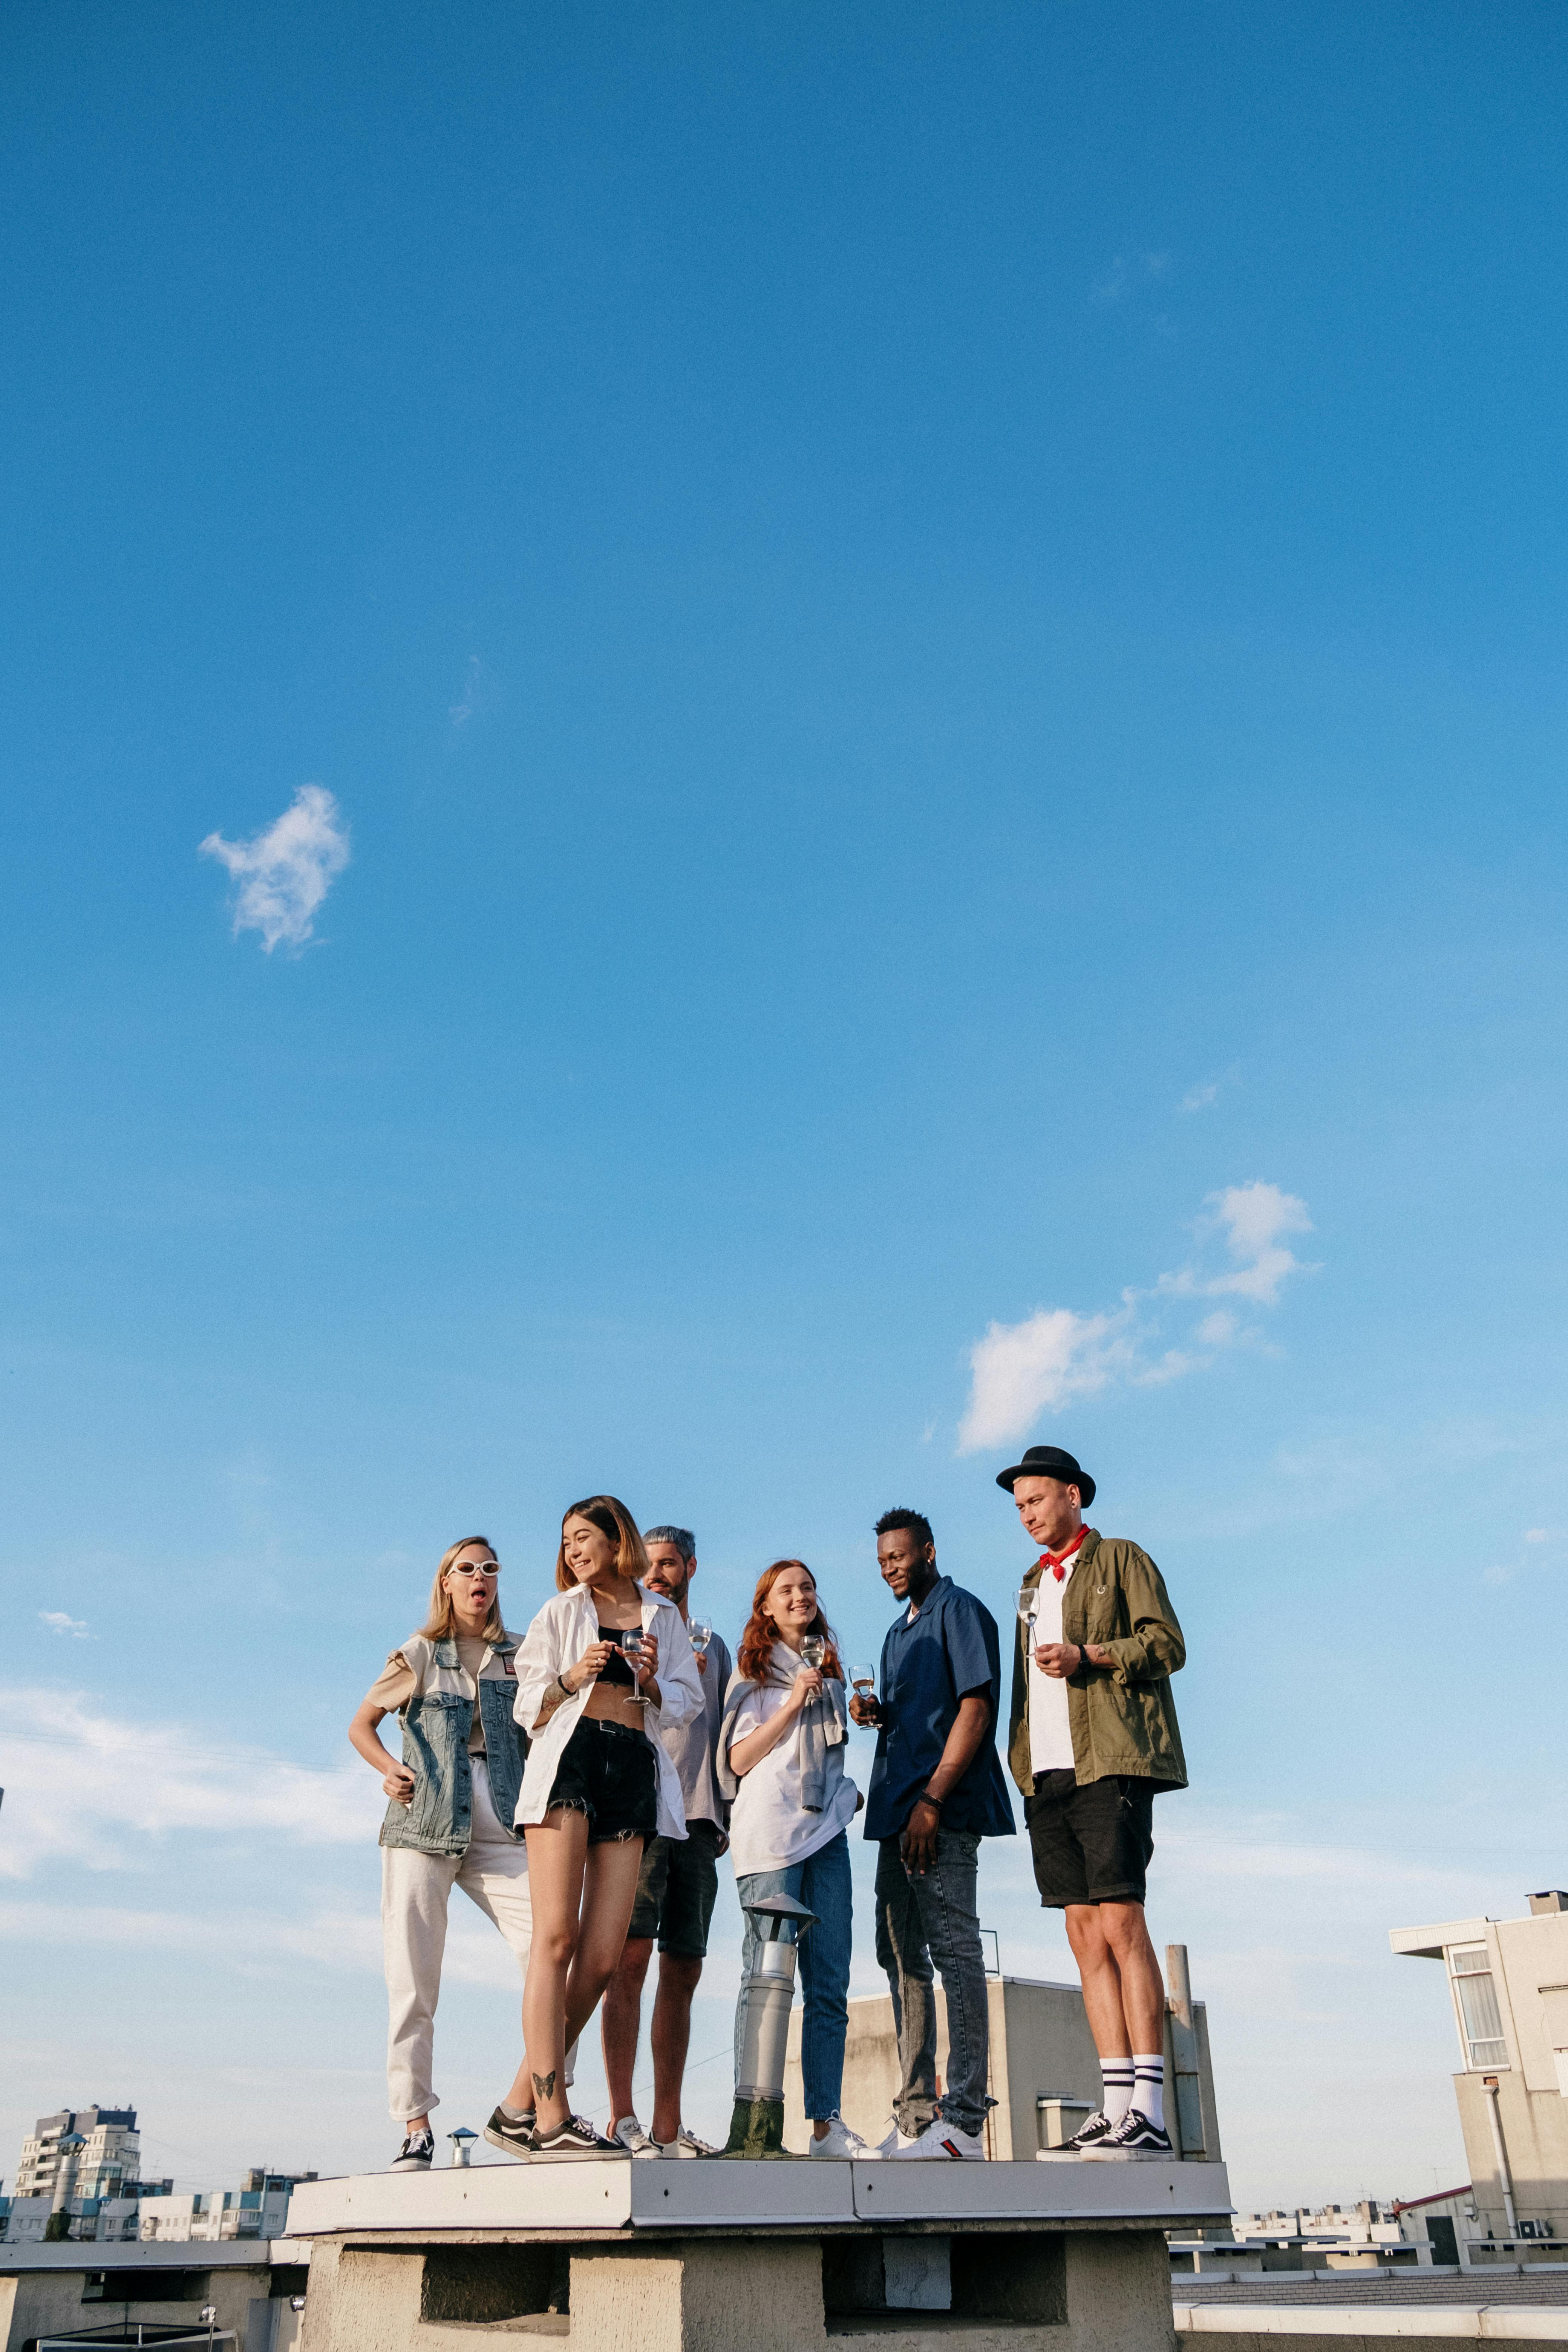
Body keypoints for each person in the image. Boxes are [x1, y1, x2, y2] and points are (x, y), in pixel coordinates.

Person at [493, 1494, 703, 2161]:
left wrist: (651, 1681)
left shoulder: (663, 1616)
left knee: (605, 1957)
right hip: (572, 1759)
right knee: (557, 1939)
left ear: (619, 1540)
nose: (573, 1551)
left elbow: (688, 1705)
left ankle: (515, 2105)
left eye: (585, 1537)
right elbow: (527, 1707)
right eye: (566, 1542)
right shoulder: (558, 1613)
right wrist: (569, 1676)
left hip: (634, 1765)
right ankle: (551, 2115)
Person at [997, 1444, 1187, 2161]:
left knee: (1121, 1922)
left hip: (1108, 1762)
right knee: (1081, 1932)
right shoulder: (1028, 1582)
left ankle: (1152, 2107)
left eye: (1036, 1500)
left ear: (1073, 1496)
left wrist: (1090, 1655)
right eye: (1018, 1507)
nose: (1027, 1515)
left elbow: (1166, 1645)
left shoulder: (1122, 1559)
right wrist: (1021, 1762)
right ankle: (1114, 2106)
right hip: (1047, 1775)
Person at [348, 1536, 533, 2173]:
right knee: (413, 1979)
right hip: (425, 1819)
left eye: (490, 1568)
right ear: (447, 1582)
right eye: (467, 1569)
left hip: (503, 1821)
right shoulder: (422, 1652)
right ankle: (415, 2125)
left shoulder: (520, 1656)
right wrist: (388, 1770)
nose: (480, 1577)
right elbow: (361, 1725)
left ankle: (530, 2104)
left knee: (555, 1954)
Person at [850, 1508, 1015, 2161]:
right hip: (896, 1814)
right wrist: (879, 1714)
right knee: (899, 1957)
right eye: (882, 1559)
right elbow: (923, 1711)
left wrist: (933, 1801)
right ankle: (918, 2113)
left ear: (928, 1551)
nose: (891, 1566)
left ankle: (967, 2119)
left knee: (955, 1950)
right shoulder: (898, 1633)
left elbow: (975, 1707)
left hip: (938, 1813)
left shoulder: (961, 1611)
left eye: (900, 1555)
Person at [717, 1559, 867, 2158]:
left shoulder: (829, 1671)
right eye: (787, 1590)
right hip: (772, 1837)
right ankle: (755, 2126)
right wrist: (789, 1703)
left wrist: (848, 1792)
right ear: (767, 1608)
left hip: (826, 1834)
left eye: (807, 1587)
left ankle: (826, 2124)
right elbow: (739, 1759)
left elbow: (828, 1754)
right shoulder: (752, 1672)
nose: (801, 1595)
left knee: (829, 1979)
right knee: (766, 1976)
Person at [601, 1524, 733, 2157]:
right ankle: (620, 2119)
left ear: (690, 1568)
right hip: (641, 1814)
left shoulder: (714, 1645)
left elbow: (730, 1730)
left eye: (670, 1564)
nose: (658, 1574)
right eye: (649, 1564)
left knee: (684, 1970)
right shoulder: (627, 1634)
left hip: (699, 1821)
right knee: (627, 1962)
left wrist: (723, 1812)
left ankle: (666, 2127)